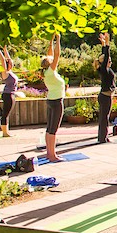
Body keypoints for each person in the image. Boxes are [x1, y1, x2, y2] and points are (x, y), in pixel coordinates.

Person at [41, 33, 65, 163]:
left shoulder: (46, 72)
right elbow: (56, 55)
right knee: (53, 129)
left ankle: (49, 153)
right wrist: (58, 40)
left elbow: (50, 54)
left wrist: (51, 41)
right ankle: (52, 155)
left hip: (51, 100)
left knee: (49, 128)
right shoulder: (51, 70)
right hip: (56, 102)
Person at [94, 33, 116, 144]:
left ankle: (103, 136)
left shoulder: (104, 69)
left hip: (106, 96)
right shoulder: (104, 70)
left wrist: (103, 44)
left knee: (104, 117)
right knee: (104, 118)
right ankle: (103, 138)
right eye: (109, 61)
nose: (110, 62)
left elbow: (104, 56)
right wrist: (107, 43)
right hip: (105, 96)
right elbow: (106, 56)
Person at [0, 45, 19, 138]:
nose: (12, 63)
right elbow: (3, 60)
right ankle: (5, 133)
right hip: (7, 94)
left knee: (7, 113)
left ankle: (6, 131)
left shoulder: (10, 71)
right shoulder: (5, 72)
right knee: (5, 113)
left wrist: (5, 49)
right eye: (10, 63)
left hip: (11, 94)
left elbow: (8, 59)